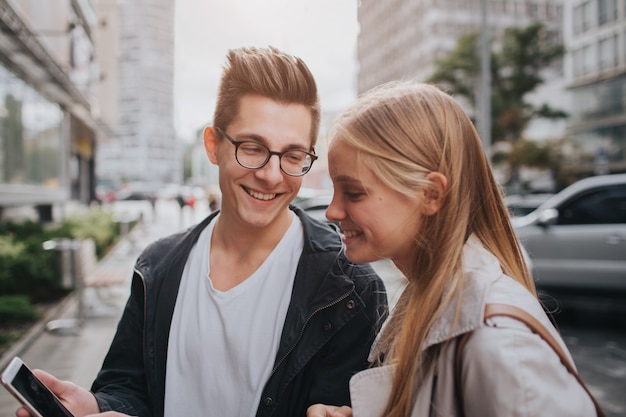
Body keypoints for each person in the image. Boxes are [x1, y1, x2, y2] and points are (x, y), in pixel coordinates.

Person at [18, 46, 387, 417]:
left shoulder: (350, 289)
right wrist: (98, 405)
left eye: (292, 156)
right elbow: (126, 384)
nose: (271, 175)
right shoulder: (158, 266)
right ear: (213, 145)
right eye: (253, 147)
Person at [307, 81, 601, 417]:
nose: (332, 212)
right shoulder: (436, 302)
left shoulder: (501, 348)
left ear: (431, 194)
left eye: (354, 193)